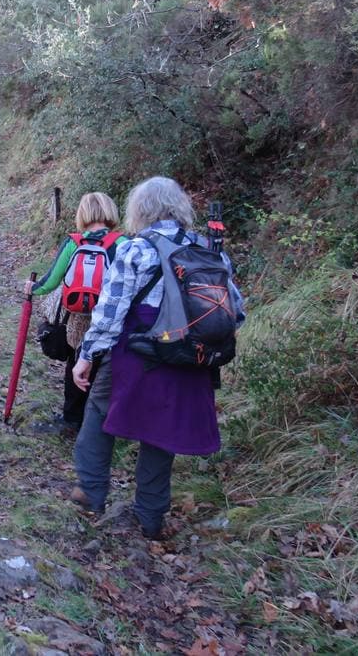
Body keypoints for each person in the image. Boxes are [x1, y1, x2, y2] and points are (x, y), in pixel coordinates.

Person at [71, 177, 245, 540]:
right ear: (181, 207)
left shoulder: (137, 249)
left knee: (100, 411)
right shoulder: (210, 250)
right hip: (190, 358)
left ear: (140, 210)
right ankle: (149, 518)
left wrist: (87, 355)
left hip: (140, 352)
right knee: (161, 434)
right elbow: (236, 312)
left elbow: (111, 312)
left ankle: (91, 493)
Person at [23, 193, 124, 435]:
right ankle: (102, 422)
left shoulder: (73, 243)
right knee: (104, 366)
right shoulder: (122, 244)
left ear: (82, 214)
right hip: (108, 316)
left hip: (78, 318)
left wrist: (32, 288)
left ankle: (72, 419)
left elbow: (52, 281)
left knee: (77, 361)